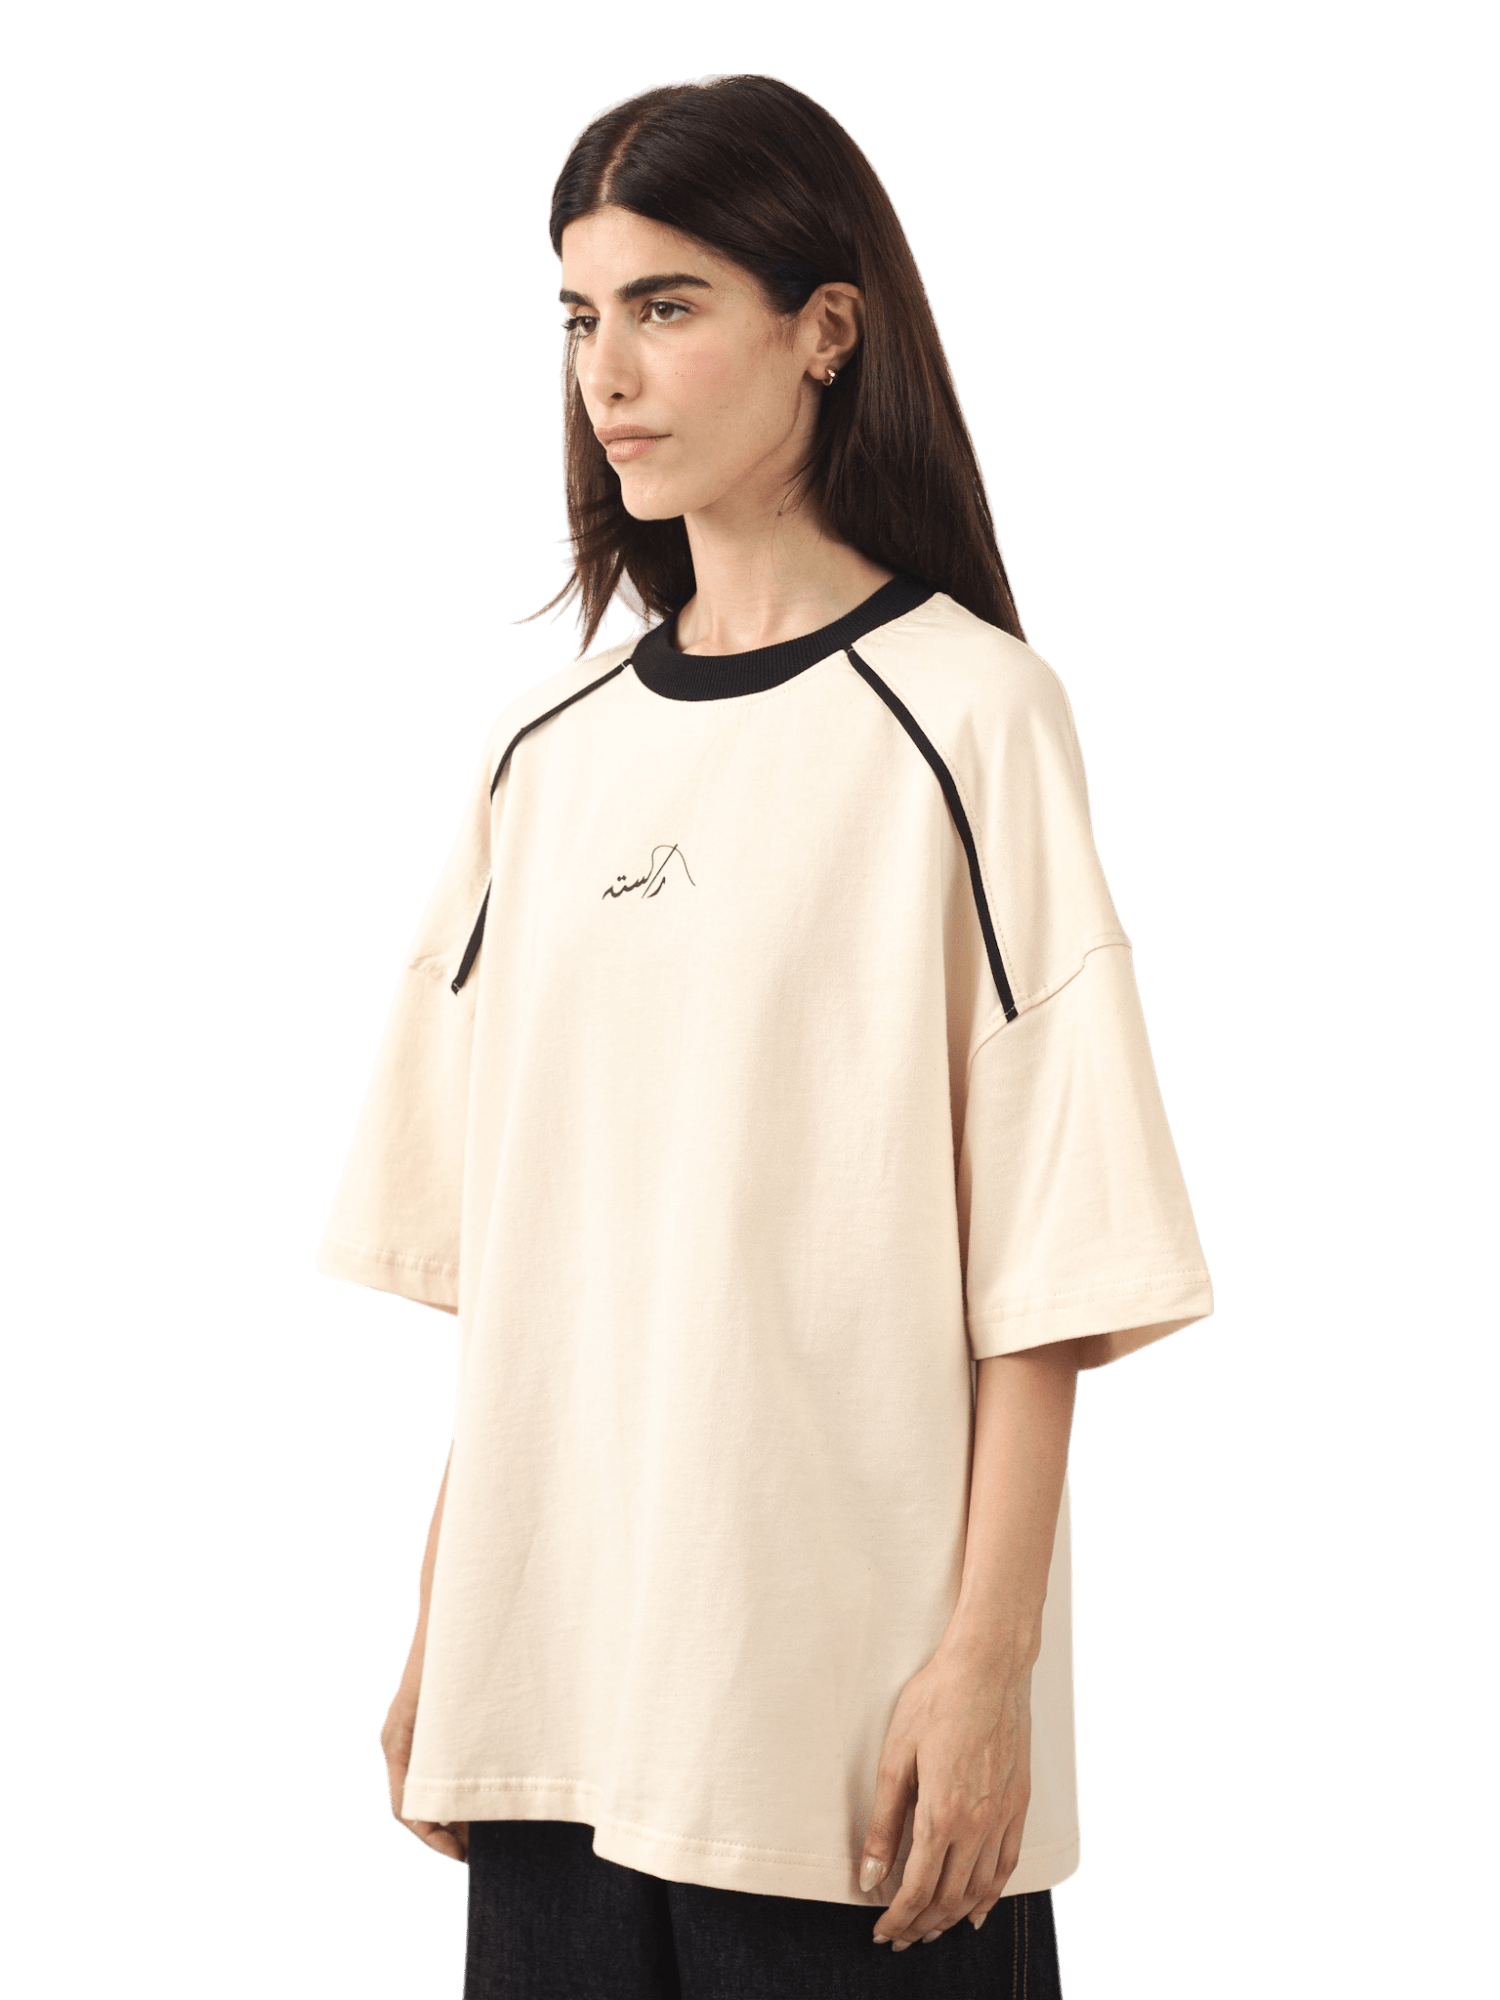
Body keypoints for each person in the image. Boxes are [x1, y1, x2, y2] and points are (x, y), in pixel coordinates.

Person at [316, 72, 1213, 1998]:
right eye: (582, 317)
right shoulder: (539, 755)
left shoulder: (974, 719)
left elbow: (1054, 1250)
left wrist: (988, 1666)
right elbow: (508, 1252)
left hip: (845, 1741)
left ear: (827, 329)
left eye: (669, 307)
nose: (608, 375)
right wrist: (447, 1612)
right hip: (552, 1707)